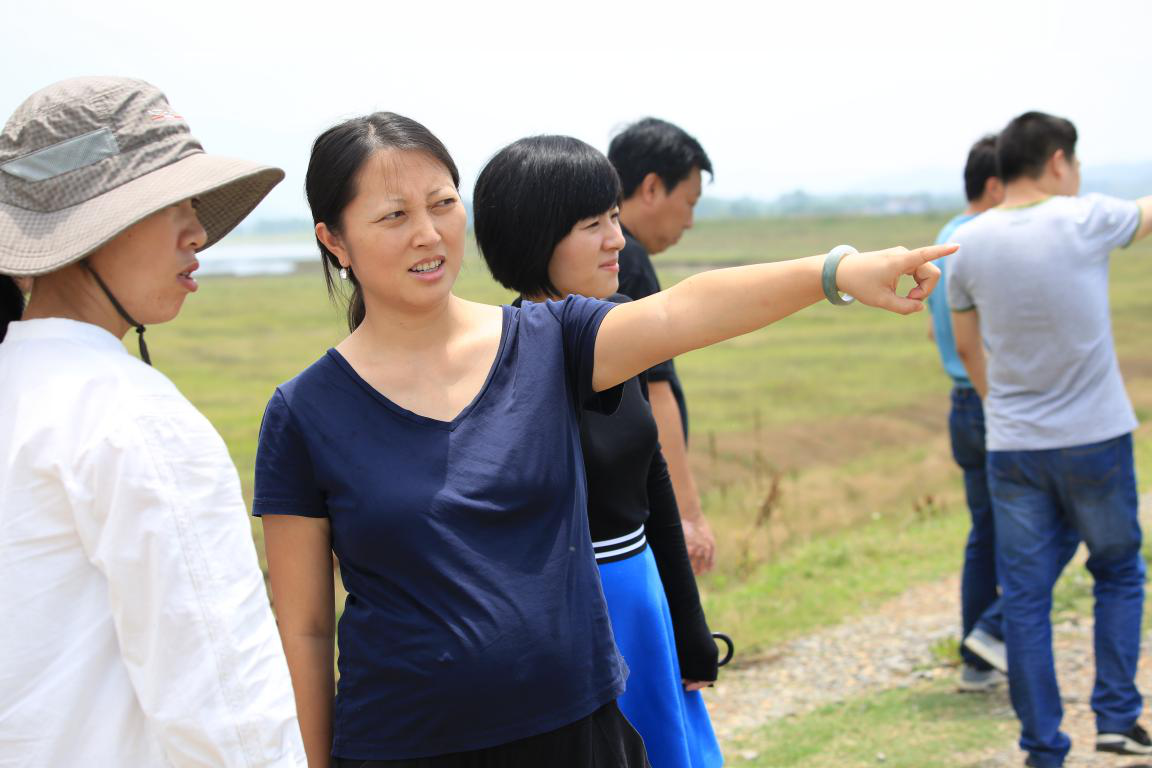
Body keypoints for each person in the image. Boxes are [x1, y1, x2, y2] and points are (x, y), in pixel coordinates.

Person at [255, 109, 950, 768]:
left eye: (442, 204)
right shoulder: (304, 413)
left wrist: (833, 272)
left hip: (574, 731)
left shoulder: (548, 342)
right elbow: (307, 630)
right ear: (334, 240)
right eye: (394, 216)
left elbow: (682, 310)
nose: (429, 235)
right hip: (402, 746)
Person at [0, 78, 305, 766]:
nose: (197, 230)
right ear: (86, 232)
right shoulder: (132, 419)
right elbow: (227, 710)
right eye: (171, 202)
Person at [473, 134, 723, 768]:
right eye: (594, 225)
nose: (617, 239)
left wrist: (689, 629)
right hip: (566, 621)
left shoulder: (616, 332)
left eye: (615, 217)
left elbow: (653, 480)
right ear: (536, 238)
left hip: (640, 596)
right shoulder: (495, 364)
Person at [949, 110, 1152, 768]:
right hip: (1096, 435)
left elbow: (966, 344)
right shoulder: (1086, 218)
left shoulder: (969, 243)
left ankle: (1043, 749)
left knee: (1027, 598)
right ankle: (1118, 715)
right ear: (1058, 160)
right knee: (1118, 572)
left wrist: (999, 404)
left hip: (1012, 444)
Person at [608, 117, 715, 574]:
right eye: (687, 202)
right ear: (650, 188)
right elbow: (655, 386)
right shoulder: (624, 259)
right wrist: (688, 516)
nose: (689, 221)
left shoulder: (594, 254)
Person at [925, 134, 1008, 693]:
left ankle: (979, 657)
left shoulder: (946, 237)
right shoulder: (984, 240)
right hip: (994, 401)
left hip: (961, 402)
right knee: (1037, 527)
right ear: (998, 185)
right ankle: (994, 634)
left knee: (985, 532)